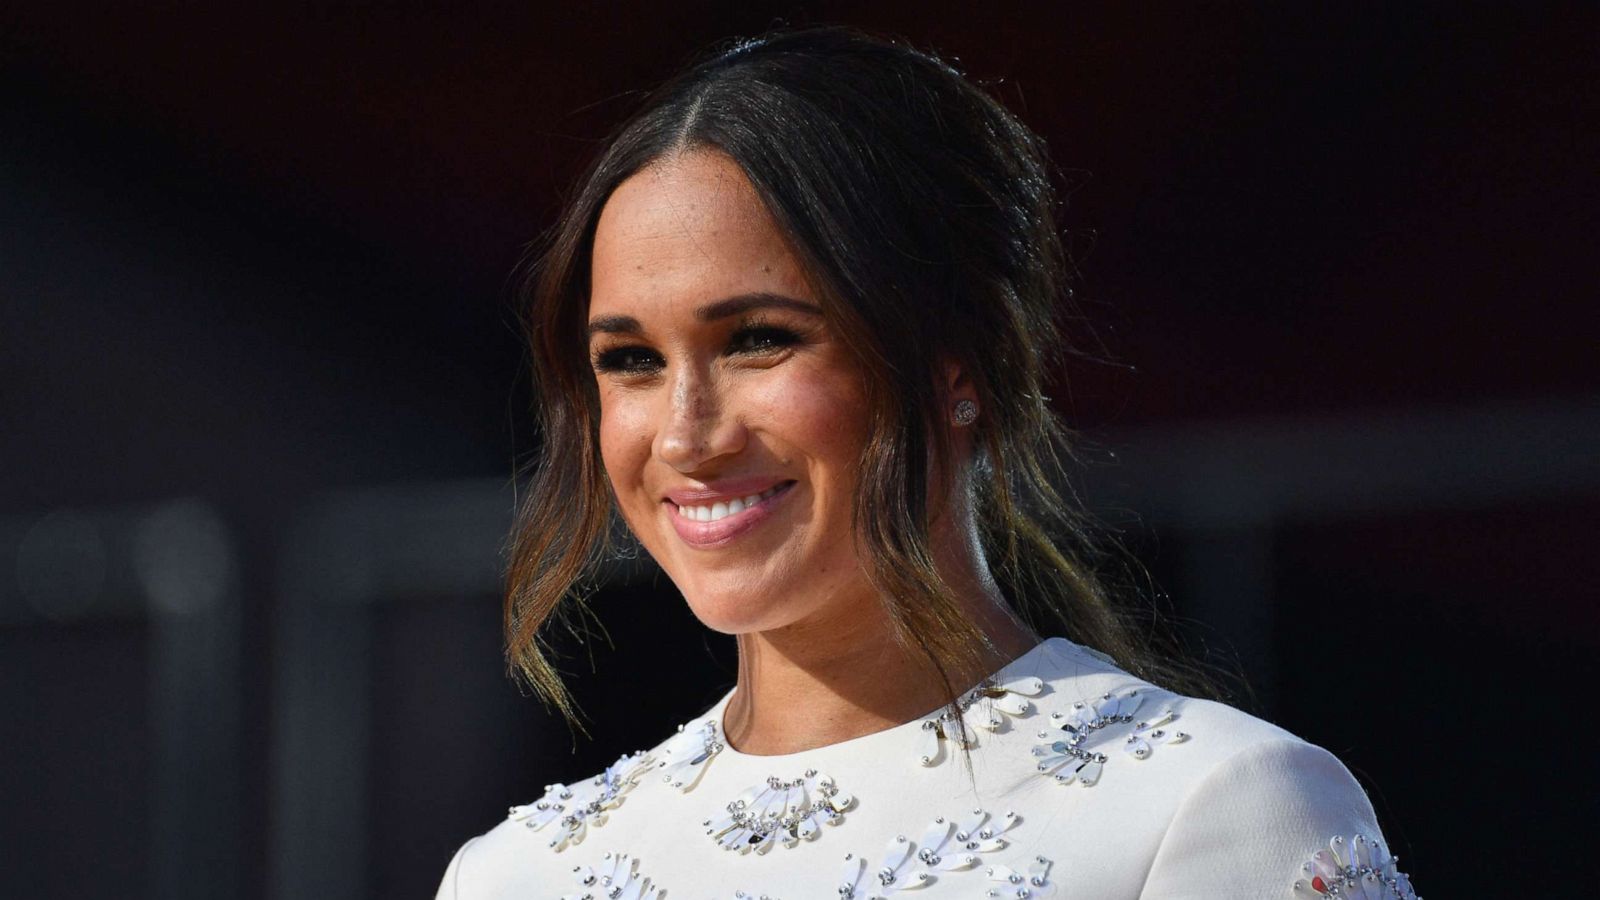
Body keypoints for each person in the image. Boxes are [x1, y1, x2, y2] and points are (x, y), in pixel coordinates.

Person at [436, 26, 1420, 900]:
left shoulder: (1210, 808)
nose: (688, 437)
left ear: (965, 366)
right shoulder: (519, 875)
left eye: (757, 341)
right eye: (632, 362)